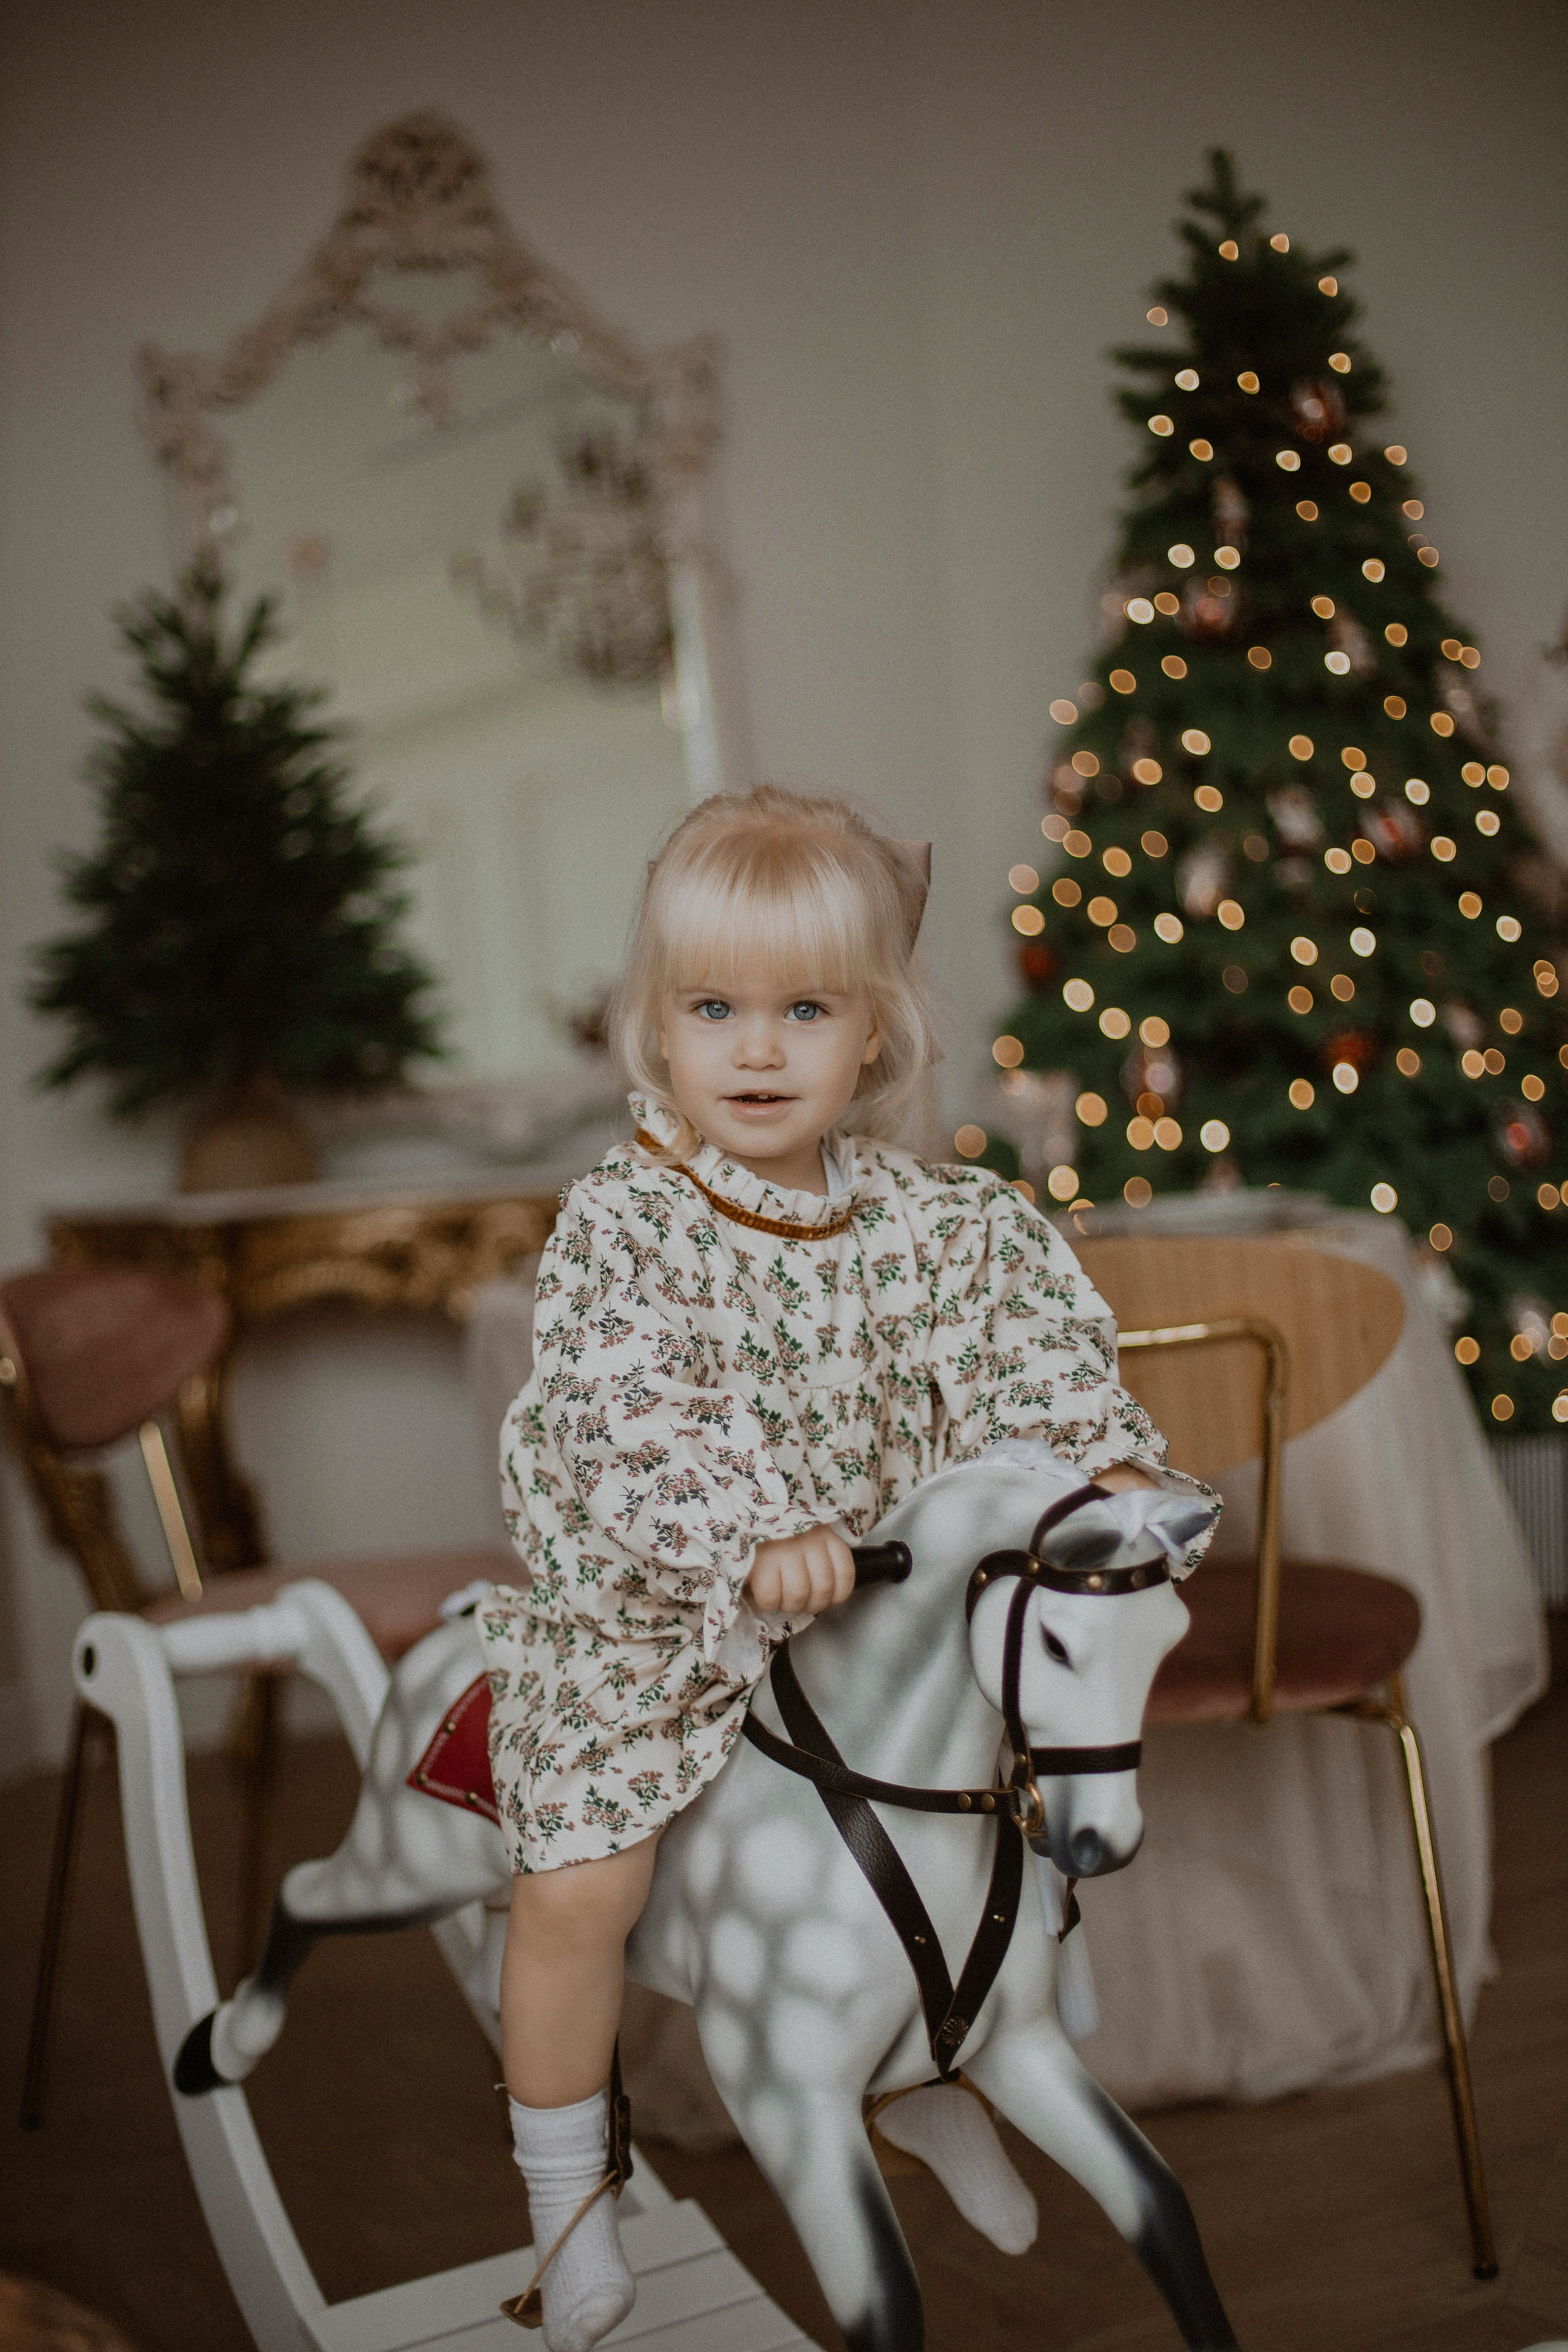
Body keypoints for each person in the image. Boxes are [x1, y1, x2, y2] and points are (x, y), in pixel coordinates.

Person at [481, 785, 1199, 2348]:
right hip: (661, 1618)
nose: (755, 1049)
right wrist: (751, 1532)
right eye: (713, 1009)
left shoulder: (945, 1227)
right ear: (652, 1029)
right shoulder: (628, 1221)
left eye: (802, 1009)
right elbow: (629, 1402)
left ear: (870, 1036)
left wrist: (1103, 1464)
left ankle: (940, 2066)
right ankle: (567, 2196)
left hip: (877, 1620)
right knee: (574, 1883)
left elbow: (1030, 1364)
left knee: (1006, 1798)